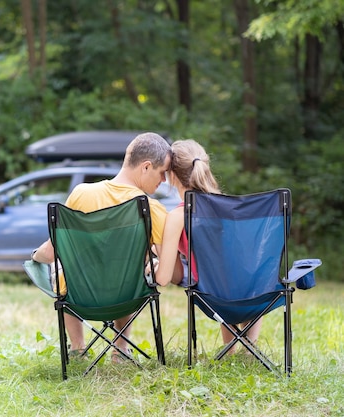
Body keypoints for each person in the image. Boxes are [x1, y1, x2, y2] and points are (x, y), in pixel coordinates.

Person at [31, 132, 172, 362]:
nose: (164, 180)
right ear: (146, 167)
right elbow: (163, 258)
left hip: (82, 297)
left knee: (60, 269)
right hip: (127, 296)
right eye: (162, 172)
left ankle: (78, 349)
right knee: (130, 268)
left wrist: (34, 257)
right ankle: (120, 348)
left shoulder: (81, 194)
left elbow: (50, 252)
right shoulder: (150, 208)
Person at [154, 139, 262, 353]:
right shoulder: (230, 208)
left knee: (218, 282)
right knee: (231, 274)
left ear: (172, 176)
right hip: (258, 293)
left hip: (216, 298)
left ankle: (232, 349)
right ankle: (250, 347)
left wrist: (156, 259)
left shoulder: (178, 216)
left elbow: (164, 278)